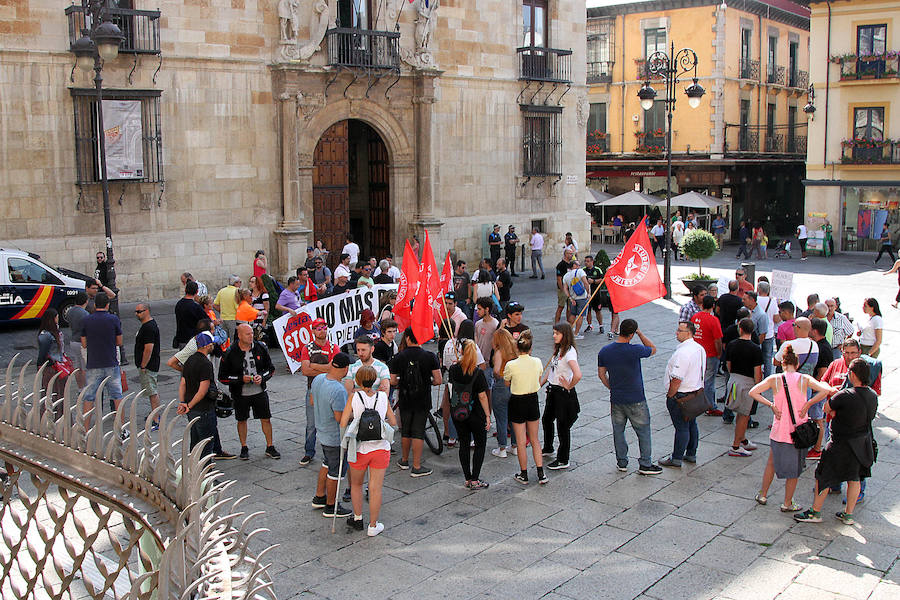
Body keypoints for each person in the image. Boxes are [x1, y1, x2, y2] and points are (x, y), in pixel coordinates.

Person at [750, 344, 836, 511]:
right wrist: (809, 403)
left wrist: (771, 405)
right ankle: (787, 502)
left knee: (771, 463)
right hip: (798, 431)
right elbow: (825, 389)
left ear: (783, 364)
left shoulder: (774, 380)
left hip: (778, 430)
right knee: (795, 469)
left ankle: (763, 494)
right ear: (797, 364)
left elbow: (753, 392)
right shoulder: (804, 379)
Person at [793, 359, 877, 525]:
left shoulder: (844, 395)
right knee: (854, 479)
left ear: (852, 375)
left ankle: (815, 512)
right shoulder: (873, 396)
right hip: (861, 444)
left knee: (823, 476)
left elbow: (827, 409)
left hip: (839, 443)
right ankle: (848, 515)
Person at [597, 319, 662, 475]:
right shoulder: (635, 350)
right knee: (643, 431)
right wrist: (640, 333)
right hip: (636, 397)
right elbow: (652, 348)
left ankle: (622, 461)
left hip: (617, 398)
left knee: (618, 431)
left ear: (620, 330)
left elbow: (601, 374)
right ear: (632, 334)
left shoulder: (605, 351)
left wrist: (611, 386)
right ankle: (645, 463)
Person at [340, 365, 397, 536]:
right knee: (375, 488)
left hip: (359, 448)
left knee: (356, 485)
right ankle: (373, 525)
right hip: (380, 448)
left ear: (357, 380)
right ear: (375, 380)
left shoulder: (353, 397)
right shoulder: (382, 397)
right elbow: (393, 422)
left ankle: (358, 518)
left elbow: (343, 423)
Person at [219, 323, 279, 460]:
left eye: (252, 333)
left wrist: (262, 377)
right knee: (241, 419)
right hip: (240, 393)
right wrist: (240, 379)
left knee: (266, 418)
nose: (251, 336)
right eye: (247, 334)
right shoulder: (230, 352)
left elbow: (270, 368)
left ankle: (270, 446)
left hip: (259, 391)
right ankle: (244, 446)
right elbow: (223, 377)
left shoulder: (260, 348)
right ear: (239, 335)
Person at [389, 328, 441, 477]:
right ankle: (417, 466)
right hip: (423, 398)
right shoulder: (430, 356)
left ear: (407, 338)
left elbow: (393, 380)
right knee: (418, 431)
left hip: (405, 397)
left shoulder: (398, 357)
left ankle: (404, 460)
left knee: (406, 430)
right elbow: (437, 380)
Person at [310, 352, 353, 518]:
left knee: (326, 464)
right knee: (336, 472)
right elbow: (340, 418)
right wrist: (354, 413)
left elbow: (312, 401)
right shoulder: (338, 389)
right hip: (334, 437)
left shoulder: (319, 379)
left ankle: (319, 496)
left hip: (322, 430)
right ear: (346, 369)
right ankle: (331, 505)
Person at [659, 321, 706, 468]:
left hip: (681, 395)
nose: (676, 333)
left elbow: (677, 379)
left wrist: (671, 395)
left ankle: (676, 458)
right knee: (691, 423)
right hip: (695, 392)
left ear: (689, 333)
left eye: (679, 331)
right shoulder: (699, 348)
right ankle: (691, 453)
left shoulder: (683, 352)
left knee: (682, 427)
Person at [447, 340, 492, 489]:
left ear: (461, 352)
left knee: (464, 444)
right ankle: (475, 478)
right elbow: (483, 396)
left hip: (459, 412)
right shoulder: (478, 373)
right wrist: (487, 415)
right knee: (480, 445)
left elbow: (451, 387)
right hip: (476, 413)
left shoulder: (453, 369)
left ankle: (467, 477)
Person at [503, 331, 547, 484]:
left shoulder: (511, 365)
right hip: (532, 399)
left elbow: (507, 383)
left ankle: (524, 473)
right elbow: (539, 377)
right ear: (530, 348)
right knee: (535, 439)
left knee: (521, 440)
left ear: (517, 348)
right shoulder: (537, 362)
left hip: (517, 401)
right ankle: (541, 472)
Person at [540, 323, 582, 470]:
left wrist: (569, 386)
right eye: (554, 333)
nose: (554, 336)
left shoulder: (569, 353)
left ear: (564, 334)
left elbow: (578, 374)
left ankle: (563, 459)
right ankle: (548, 447)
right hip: (552, 390)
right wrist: (541, 383)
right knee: (547, 419)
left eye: (557, 333)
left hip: (562, 393)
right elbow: (552, 371)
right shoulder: (559, 350)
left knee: (563, 426)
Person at [298, 318, 340, 466]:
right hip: (313, 390)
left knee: (331, 422)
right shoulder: (307, 348)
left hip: (330, 389)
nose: (322, 330)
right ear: (313, 331)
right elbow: (305, 370)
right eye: (318, 328)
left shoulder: (334, 347)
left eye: (324, 328)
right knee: (311, 424)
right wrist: (325, 368)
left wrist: (313, 366)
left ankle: (331, 452)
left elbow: (335, 368)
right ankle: (309, 452)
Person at [176, 332, 224, 459]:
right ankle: (206, 475)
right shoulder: (205, 364)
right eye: (212, 344)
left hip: (192, 410)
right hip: (203, 409)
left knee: (195, 443)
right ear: (207, 346)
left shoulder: (189, 360)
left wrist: (183, 403)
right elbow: (202, 391)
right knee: (206, 445)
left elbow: (183, 384)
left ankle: (193, 472)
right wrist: (190, 406)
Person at [81, 293, 123, 425]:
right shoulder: (113, 319)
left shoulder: (87, 320)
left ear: (94, 304)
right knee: (117, 397)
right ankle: (121, 428)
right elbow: (119, 341)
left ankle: (85, 429)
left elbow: (84, 343)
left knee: (89, 397)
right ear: (107, 304)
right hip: (110, 362)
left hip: (93, 363)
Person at [724, 318, 763, 456]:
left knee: (741, 413)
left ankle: (743, 439)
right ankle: (736, 446)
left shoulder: (731, 345)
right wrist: (759, 387)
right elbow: (757, 372)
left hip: (734, 379)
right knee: (744, 415)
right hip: (747, 383)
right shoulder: (755, 349)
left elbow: (728, 365)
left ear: (740, 329)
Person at [691, 295, 723, 415]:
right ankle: (710, 406)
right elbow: (717, 340)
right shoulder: (714, 320)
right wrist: (719, 353)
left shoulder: (695, 317)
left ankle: (697, 402)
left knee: (698, 379)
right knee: (709, 381)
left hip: (697, 353)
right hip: (710, 354)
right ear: (713, 306)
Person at [490, 328, 518, 458]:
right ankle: (514, 445)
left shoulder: (499, 353)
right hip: (514, 385)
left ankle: (502, 448)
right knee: (513, 417)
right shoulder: (514, 351)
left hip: (501, 385)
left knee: (501, 418)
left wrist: (497, 376)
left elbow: (496, 370)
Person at [134, 302, 161, 429]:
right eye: (136, 311)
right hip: (149, 364)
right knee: (151, 391)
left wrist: (143, 365)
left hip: (149, 365)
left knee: (152, 392)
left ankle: (156, 419)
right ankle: (155, 414)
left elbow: (148, 349)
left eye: (140, 311)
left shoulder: (149, 328)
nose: (137, 314)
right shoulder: (147, 325)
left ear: (147, 311)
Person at [37, 308, 68, 410]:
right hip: (53, 366)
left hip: (56, 366)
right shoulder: (47, 335)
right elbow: (43, 353)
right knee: (54, 392)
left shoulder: (49, 333)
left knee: (55, 392)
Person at [174, 280, 208, 348]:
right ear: (197, 292)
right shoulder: (195, 307)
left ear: (185, 290)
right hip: (193, 340)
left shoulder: (179, 304)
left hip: (182, 339)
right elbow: (206, 321)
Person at [756, 281, 779, 377]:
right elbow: (776, 319)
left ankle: (756, 375)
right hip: (769, 333)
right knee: (768, 357)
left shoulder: (755, 300)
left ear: (758, 290)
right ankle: (767, 377)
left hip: (757, 332)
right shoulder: (772, 301)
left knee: (756, 356)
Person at [67, 291, 89, 387]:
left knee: (78, 366)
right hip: (82, 342)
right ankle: (85, 387)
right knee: (84, 367)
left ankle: (80, 388)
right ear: (86, 301)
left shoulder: (70, 311)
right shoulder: (85, 314)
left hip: (73, 340)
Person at [563, 260, 589, 340]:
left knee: (573, 314)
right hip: (581, 297)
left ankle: (571, 331)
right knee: (580, 315)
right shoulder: (580, 271)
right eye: (578, 264)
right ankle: (576, 333)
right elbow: (585, 283)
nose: (579, 266)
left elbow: (565, 289)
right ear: (574, 265)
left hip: (573, 298)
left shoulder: (566, 275)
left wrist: (570, 298)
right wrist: (588, 293)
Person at [213, 275, 242, 340]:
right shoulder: (237, 291)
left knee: (224, 340)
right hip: (233, 319)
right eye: (240, 282)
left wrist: (222, 310)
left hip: (223, 319)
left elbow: (214, 304)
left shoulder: (222, 291)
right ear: (236, 283)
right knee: (233, 340)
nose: (240, 284)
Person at [553, 248, 574, 326]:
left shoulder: (571, 264)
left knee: (569, 308)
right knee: (561, 307)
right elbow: (559, 278)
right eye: (570, 253)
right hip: (563, 289)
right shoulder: (561, 265)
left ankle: (569, 325)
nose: (571, 255)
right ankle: (556, 324)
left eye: (572, 254)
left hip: (570, 289)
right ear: (566, 254)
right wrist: (562, 289)